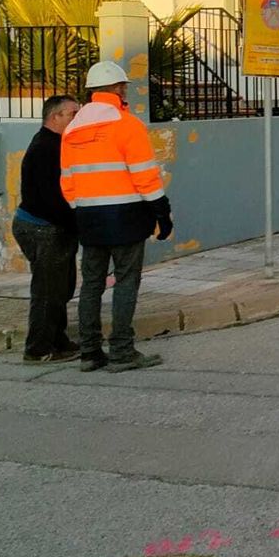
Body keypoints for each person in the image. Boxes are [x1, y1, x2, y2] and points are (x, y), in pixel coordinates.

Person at [59, 61, 174, 373]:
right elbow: (145, 176)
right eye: (125, 86)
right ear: (119, 89)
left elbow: (67, 181)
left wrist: (81, 209)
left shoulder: (71, 129)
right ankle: (122, 351)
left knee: (92, 284)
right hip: (125, 215)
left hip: (88, 218)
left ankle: (89, 353)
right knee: (125, 281)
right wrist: (161, 213)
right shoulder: (127, 125)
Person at [11, 94, 81, 362]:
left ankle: (58, 339)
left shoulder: (56, 144)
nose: (77, 118)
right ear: (55, 117)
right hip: (43, 228)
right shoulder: (45, 148)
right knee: (48, 291)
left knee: (61, 288)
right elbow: (52, 199)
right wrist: (78, 224)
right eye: (72, 114)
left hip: (51, 227)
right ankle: (38, 348)